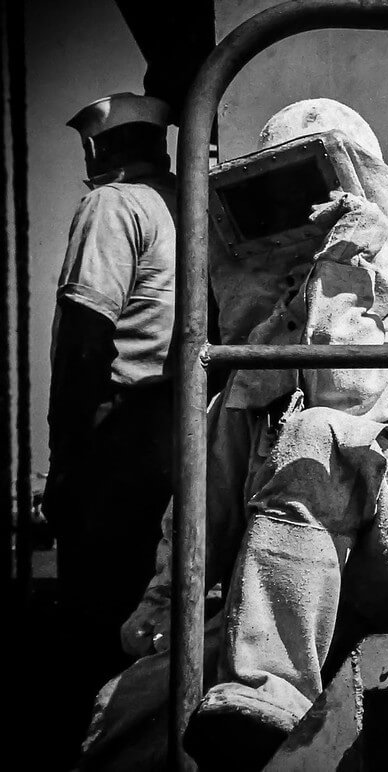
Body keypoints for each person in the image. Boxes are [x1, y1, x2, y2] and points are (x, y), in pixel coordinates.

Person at [80, 99, 388, 772]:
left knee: (317, 431)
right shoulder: (263, 350)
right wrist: (164, 599)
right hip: (286, 584)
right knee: (125, 714)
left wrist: (343, 270)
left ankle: (270, 691)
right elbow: (209, 485)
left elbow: (350, 402)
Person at [43, 93, 177, 701]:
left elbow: (85, 340)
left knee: (96, 620)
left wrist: (66, 463)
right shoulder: (189, 205)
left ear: (99, 148)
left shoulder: (112, 204)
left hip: (120, 439)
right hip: (183, 431)